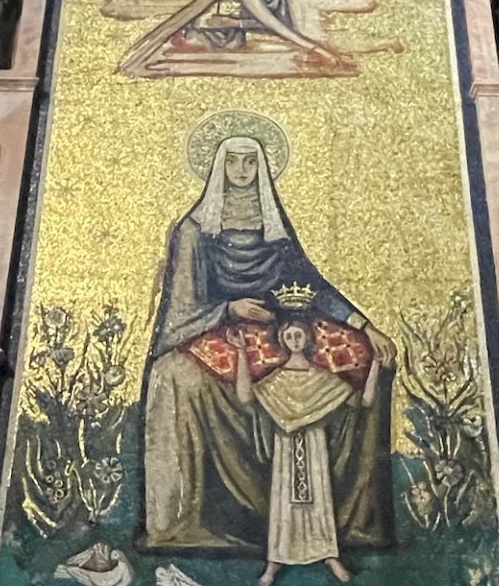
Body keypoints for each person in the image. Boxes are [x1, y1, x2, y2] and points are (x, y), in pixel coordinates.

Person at [140, 133, 394, 556]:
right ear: (219, 167)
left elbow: (311, 285)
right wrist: (228, 309)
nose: (241, 171)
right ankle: (187, 520)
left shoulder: (274, 227)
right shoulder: (193, 229)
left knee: (368, 358)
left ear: (262, 168)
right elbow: (181, 305)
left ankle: (351, 520)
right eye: (233, 162)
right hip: (215, 327)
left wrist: (365, 326)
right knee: (171, 376)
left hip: (282, 327)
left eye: (250, 162)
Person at [233, 317, 382, 586]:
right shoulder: (276, 381)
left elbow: (365, 402)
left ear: (308, 339)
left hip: (314, 450)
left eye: (299, 335)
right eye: (289, 336)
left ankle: (328, 554)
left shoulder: (321, 379)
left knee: (319, 501)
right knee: (283, 505)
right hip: (285, 454)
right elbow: (245, 397)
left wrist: (375, 364)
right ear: (282, 341)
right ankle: (275, 561)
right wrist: (242, 352)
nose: (295, 340)